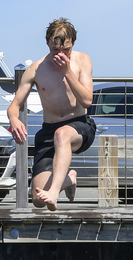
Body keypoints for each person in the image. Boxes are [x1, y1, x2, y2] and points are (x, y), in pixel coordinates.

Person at [6, 18, 95, 211]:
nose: (61, 55)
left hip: (79, 127)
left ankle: (55, 191)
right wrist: (13, 119)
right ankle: (68, 180)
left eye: (66, 50)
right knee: (38, 199)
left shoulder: (82, 60)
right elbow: (14, 106)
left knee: (62, 134)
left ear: (73, 44)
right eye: (56, 50)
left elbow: (87, 100)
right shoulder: (36, 69)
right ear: (47, 43)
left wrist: (67, 72)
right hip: (49, 131)